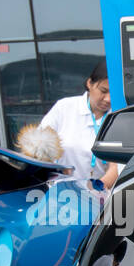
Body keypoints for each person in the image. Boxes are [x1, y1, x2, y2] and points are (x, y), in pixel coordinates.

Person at [37, 60, 118, 191]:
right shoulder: (64, 108)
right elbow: (38, 148)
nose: (108, 99)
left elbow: (116, 166)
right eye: (103, 91)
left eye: (113, 93)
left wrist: (95, 189)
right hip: (61, 191)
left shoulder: (118, 116)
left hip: (99, 194)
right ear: (89, 83)